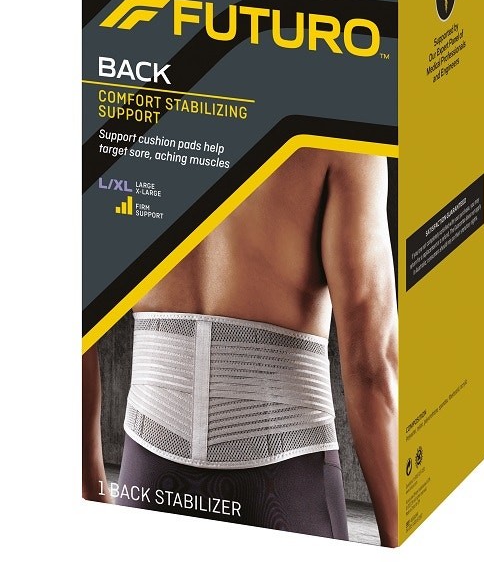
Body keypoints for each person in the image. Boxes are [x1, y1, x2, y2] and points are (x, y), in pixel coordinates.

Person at [83, 149, 398, 546]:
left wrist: (90, 485)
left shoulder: (124, 130)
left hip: (147, 475)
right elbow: (372, 368)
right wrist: (399, 545)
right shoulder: (337, 138)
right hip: (284, 487)